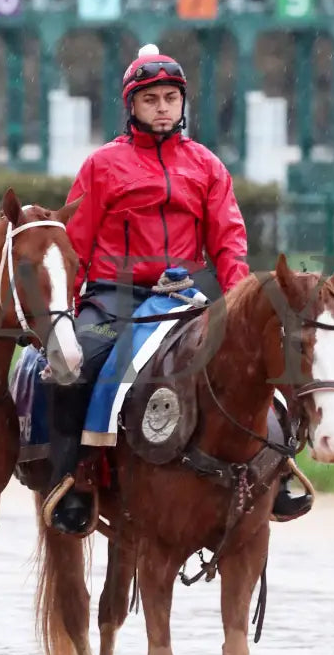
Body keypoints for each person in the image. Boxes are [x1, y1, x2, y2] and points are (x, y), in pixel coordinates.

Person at [43, 44, 307, 535]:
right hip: (112, 299)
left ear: (182, 103)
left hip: (188, 294)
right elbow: (74, 244)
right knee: (73, 370)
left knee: (263, 357)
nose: (163, 107)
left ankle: (281, 467)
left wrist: (241, 305)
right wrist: (69, 310)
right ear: (132, 107)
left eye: (170, 97)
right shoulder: (101, 166)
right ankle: (74, 480)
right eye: (151, 100)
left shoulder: (207, 166)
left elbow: (229, 244)